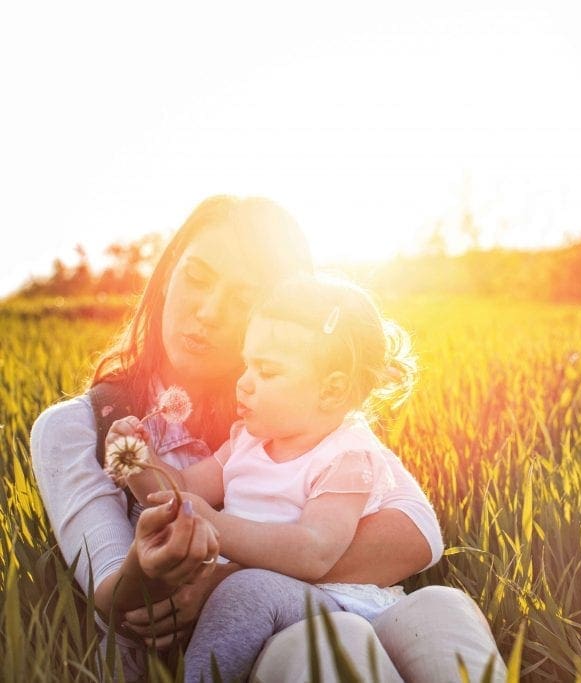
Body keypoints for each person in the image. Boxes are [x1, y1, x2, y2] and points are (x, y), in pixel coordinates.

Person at [30, 195, 505, 681]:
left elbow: (418, 535)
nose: (211, 312)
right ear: (167, 273)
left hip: (340, 607)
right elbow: (117, 580)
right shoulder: (95, 424)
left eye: (243, 298)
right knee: (337, 642)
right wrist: (137, 467)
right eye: (197, 277)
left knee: (442, 608)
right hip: (282, 642)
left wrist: (231, 575)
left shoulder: (301, 420)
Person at [109, 275, 436, 681]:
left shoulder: (347, 457)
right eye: (247, 363)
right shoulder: (246, 442)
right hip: (252, 604)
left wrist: (213, 523)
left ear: (331, 392)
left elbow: (315, 551)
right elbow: (183, 493)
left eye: (267, 371)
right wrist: (137, 461)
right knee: (240, 596)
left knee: (244, 592)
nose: (243, 382)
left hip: (325, 601)